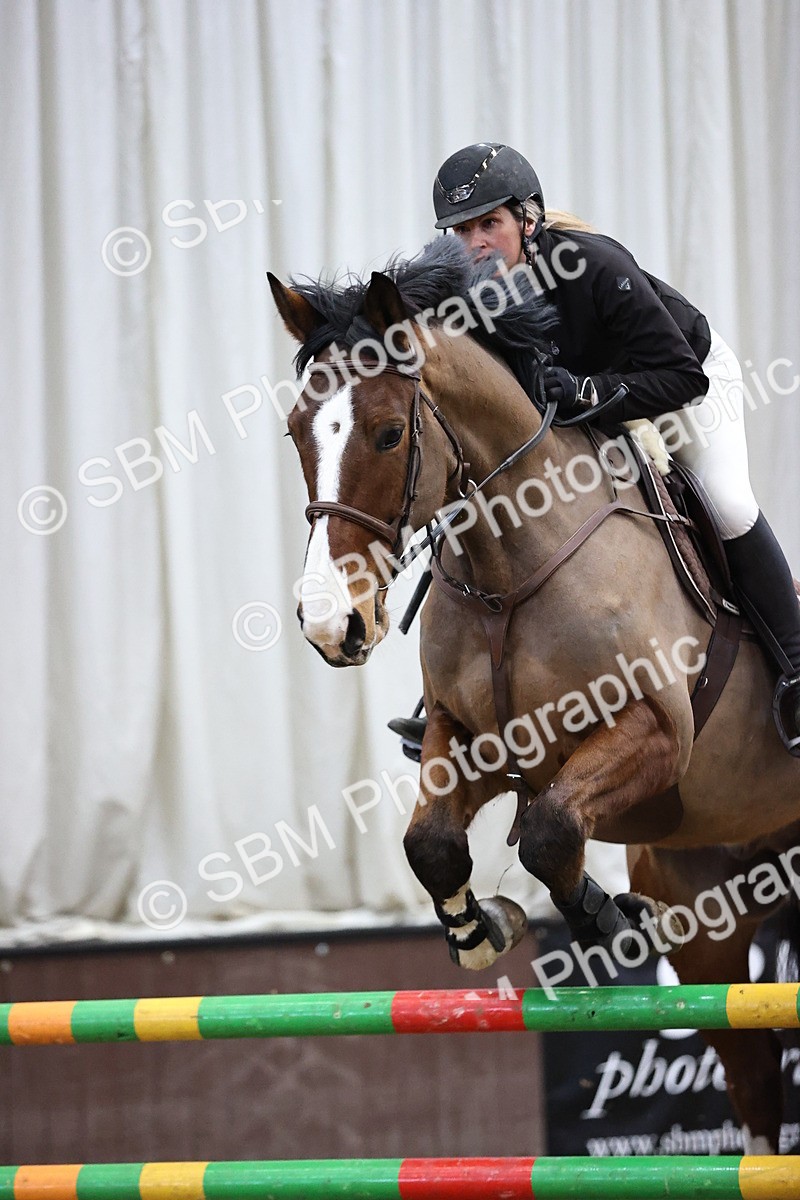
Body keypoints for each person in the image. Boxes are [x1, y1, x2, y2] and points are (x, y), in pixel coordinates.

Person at [389, 142, 800, 756]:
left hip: (679, 383)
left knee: (725, 502)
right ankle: (447, 695)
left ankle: (794, 667)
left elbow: (683, 377)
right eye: (460, 231)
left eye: (489, 224)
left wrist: (586, 388)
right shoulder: (463, 292)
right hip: (590, 405)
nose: (474, 244)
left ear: (528, 221)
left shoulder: (591, 264)